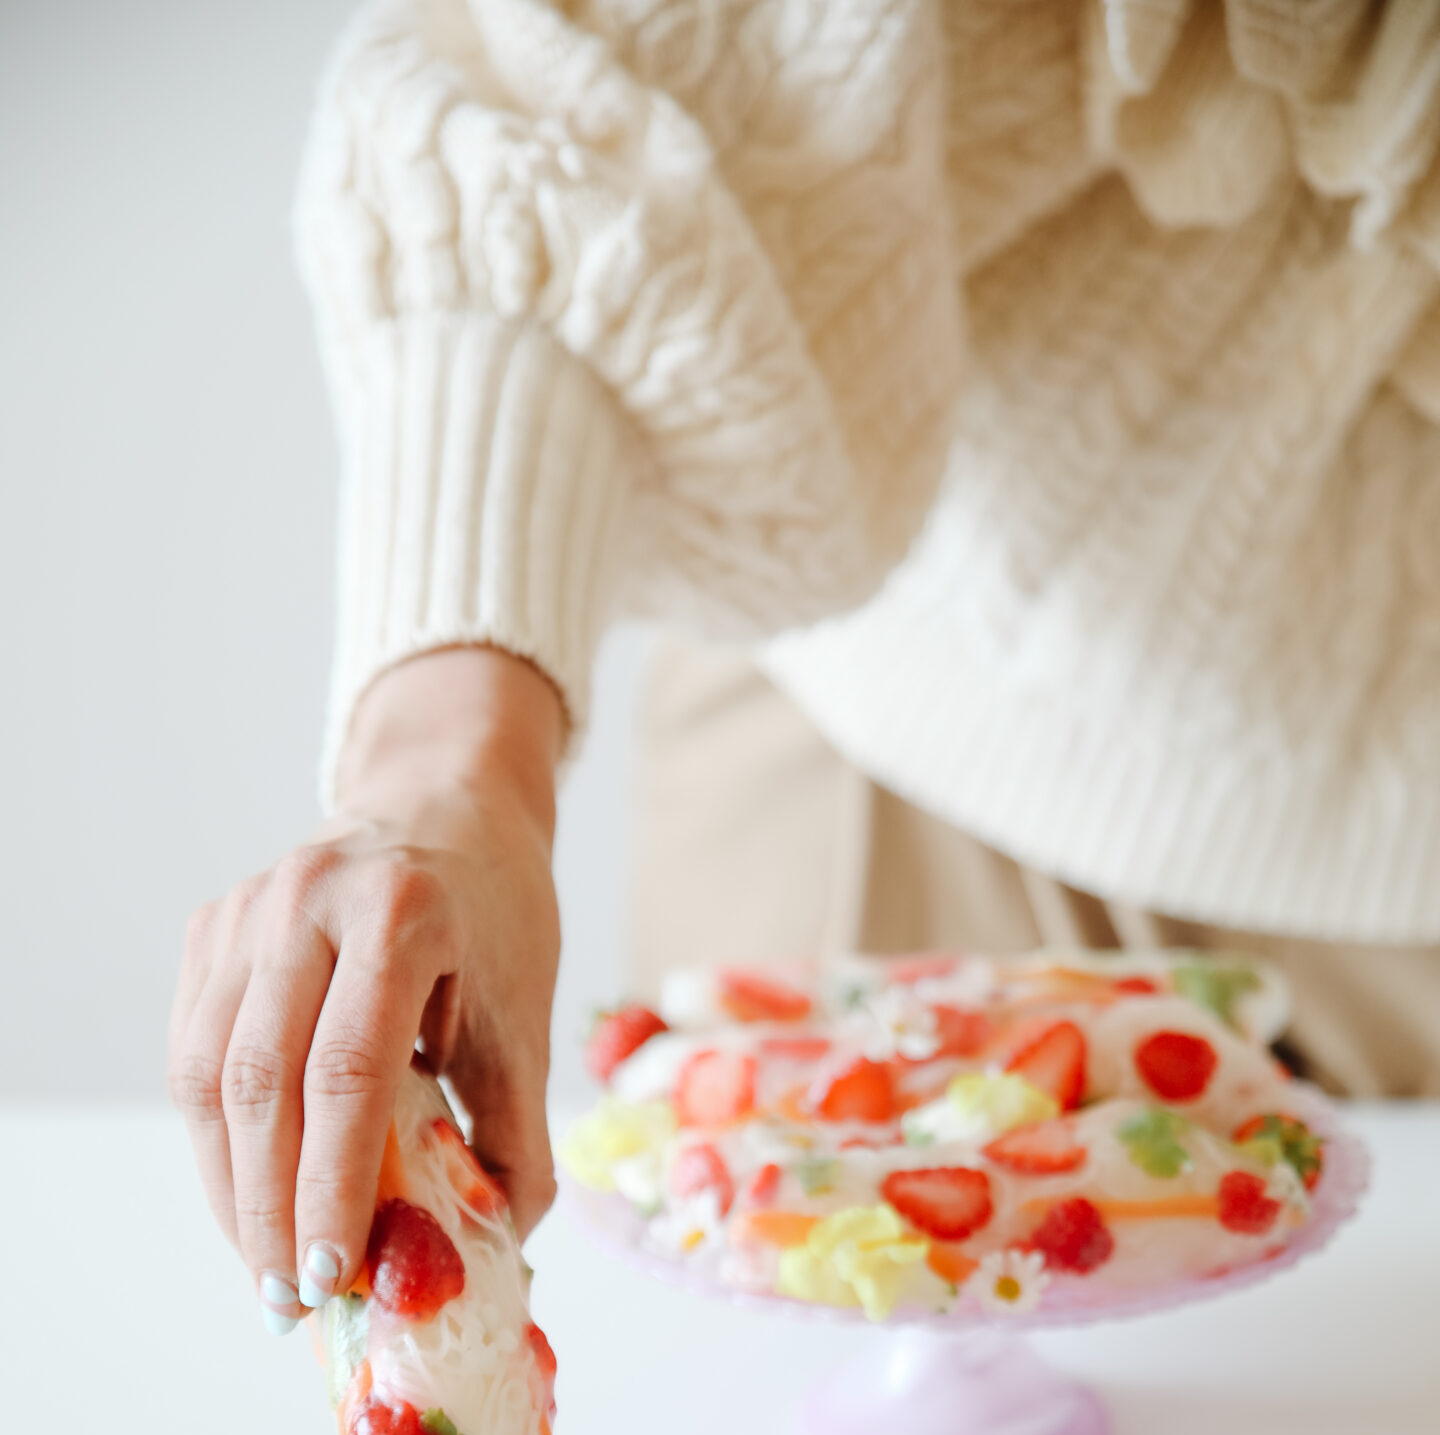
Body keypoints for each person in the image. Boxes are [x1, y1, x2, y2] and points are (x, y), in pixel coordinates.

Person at [169, 0, 1440, 1335]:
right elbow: (587, 75)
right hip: (900, 724)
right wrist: (444, 772)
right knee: (754, 1428)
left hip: (1406, 883)